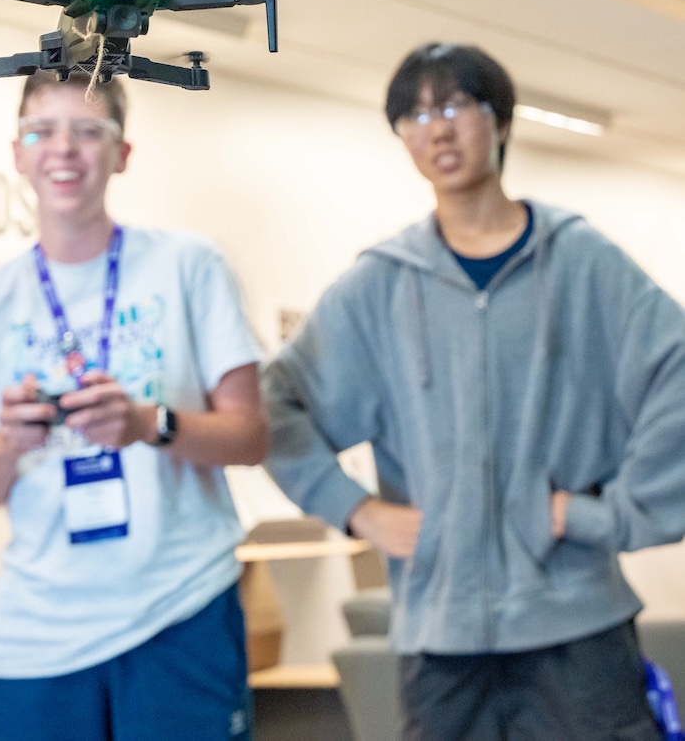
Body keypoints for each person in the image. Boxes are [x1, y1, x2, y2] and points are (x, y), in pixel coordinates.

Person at [262, 42, 685, 740]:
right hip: (441, 637)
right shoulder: (381, 285)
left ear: (501, 121)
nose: (438, 130)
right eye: (416, 115)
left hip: (577, 624)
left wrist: (604, 515)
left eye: (456, 105)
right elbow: (275, 404)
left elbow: (677, 370)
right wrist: (356, 510)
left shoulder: (580, 262)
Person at [0, 69, 268, 741]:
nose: (63, 149)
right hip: (40, 638)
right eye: (41, 131)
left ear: (121, 153)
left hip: (180, 610)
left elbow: (250, 438)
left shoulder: (190, 266)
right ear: (17, 153)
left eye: (87, 131)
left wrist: (147, 424)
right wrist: (6, 444)